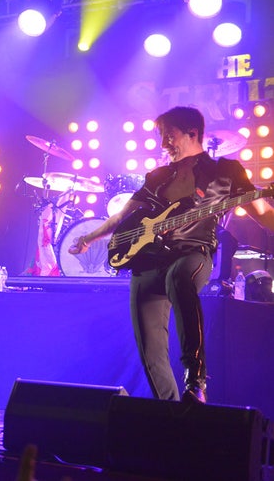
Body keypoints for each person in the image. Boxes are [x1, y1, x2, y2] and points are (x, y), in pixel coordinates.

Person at [69, 106, 274, 403]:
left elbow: (262, 213)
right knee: (151, 351)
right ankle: (175, 416)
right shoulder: (158, 176)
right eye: (162, 137)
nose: (164, 143)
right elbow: (124, 216)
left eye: (170, 136)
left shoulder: (226, 172)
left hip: (193, 253)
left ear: (193, 133)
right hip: (149, 262)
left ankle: (196, 380)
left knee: (180, 277)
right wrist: (89, 237)